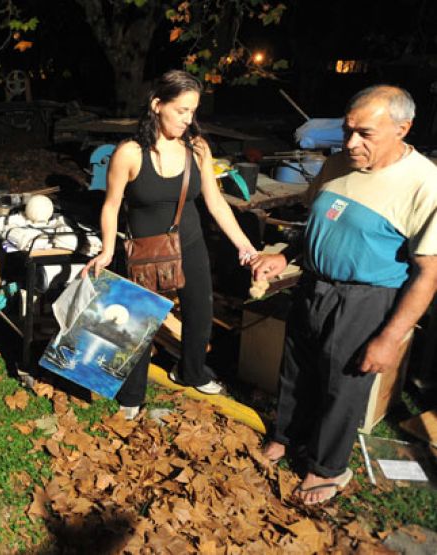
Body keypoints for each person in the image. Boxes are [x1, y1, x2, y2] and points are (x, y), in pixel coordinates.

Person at [252, 85, 437, 505]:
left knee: (343, 386)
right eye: (347, 130)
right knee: (296, 370)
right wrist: (286, 256)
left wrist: (391, 338)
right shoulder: (337, 163)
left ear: (403, 129)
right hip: (313, 284)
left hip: (366, 298)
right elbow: (317, 223)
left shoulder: (424, 184)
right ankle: (285, 437)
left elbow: (429, 272)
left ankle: (327, 468)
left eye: (365, 134)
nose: (351, 143)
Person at [83, 70, 257, 419]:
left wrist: (245, 245)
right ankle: (131, 396)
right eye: (181, 110)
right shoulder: (129, 153)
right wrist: (107, 249)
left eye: (192, 111)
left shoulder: (198, 149)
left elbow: (216, 202)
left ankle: (191, 371)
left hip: (189, 243)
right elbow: (111, 205)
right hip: (144, 250)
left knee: (200, 311)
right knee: (140, 323)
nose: (188, 119)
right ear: (157, 105)